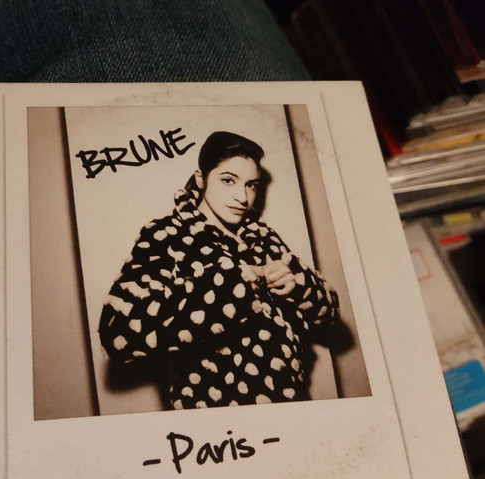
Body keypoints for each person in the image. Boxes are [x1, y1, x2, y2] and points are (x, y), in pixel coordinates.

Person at [99, 131, 339, 409]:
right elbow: (117, 334)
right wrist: (234, 284)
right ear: (201, 179)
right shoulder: (168, 235)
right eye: (228, 180)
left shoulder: (263, 237)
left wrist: (297, 284)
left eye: (251, 185)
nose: (243, 197)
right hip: (214, 411)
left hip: (287, 406)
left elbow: (329, 313)